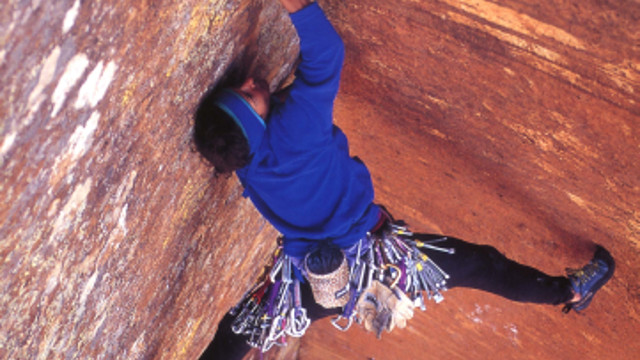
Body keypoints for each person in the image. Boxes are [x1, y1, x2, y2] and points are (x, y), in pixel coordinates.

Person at [194, 0, 615, 358]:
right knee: (482, 266)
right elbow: (327, 52)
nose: (252, 82)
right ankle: (571, 293)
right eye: (251, 94)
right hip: (377, 256)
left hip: (316, 277)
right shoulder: (295, 131)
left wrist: (265, 103)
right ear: (257, 125)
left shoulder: (243, 161)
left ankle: (570, 292)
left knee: (237, 330)